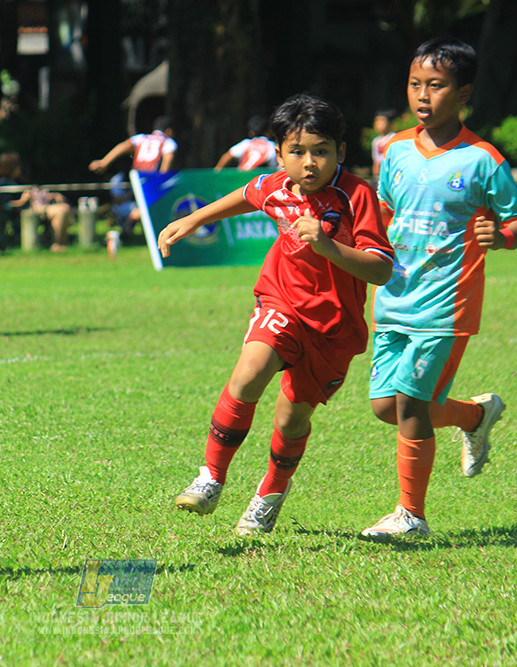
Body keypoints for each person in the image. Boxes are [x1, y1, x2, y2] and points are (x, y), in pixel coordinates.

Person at [159, 94, 394, 536]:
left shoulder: (356, 195)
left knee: (292, 418)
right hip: (281, 301)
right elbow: (246, 195)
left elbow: (382, 269)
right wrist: (192, 220)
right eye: (297, 152)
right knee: (248, 374)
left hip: (334, 329)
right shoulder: (277, 186)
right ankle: (211, 476)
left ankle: (269, 494)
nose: (309, 163)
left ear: (340, 152)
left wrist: (328, 246)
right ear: (280, 153)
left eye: (321, 151)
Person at [362, 36, 517, 539]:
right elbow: (385, 215)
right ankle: (477, 415)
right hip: (393, 299)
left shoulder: (482, 159)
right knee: (385, 408)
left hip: (445, 306)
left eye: (435, 85)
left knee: (412, 404)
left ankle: (410, 515)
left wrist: (502, 237)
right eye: (415, 84)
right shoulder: (394, 150)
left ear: (463, 94)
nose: (422, 94)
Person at [89, 116, 177, 241]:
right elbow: (168, 159)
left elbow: (124, 146)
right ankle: (128, 230)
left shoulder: (141, 137)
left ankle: (126, 229)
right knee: (148, 209)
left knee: (137, 206)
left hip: (136, 176)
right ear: (169, 131)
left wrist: (104, 162)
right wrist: (161, 180)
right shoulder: (169, 142)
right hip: (151, 177)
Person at [10, 185, 74, 252]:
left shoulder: (43, 189)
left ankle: (59, 243)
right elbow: (19, 203)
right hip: (37, 209)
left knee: (64, 209)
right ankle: (57, 243)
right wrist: (23, 200)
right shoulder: (27, 189)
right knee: (63, 209)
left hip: (46, 208)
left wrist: (54, 196)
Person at [370, 109, 398, 180]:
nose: (378, 124)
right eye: (376, 121)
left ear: (390, 123)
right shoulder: (376, 141)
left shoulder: (394, 139)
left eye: (382, 121)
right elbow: (375, 160)